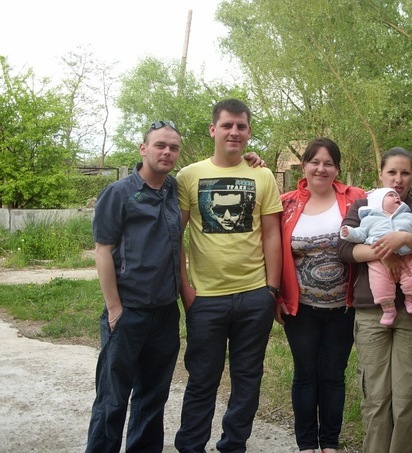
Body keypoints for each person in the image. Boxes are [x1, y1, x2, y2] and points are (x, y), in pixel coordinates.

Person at [174, 99, 283, 453]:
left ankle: (234, 445)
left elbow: (271, 235)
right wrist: (186, 289)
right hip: (205, 299)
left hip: (254, 296)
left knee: (248, 379)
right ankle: (191, 446)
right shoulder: (189, 176)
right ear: (213, 130)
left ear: (249, 132)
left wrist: (271, 290)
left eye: (241, 126)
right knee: (202, 379)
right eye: (227, 125)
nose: (234, 132)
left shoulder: (263, 175)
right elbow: (176, 236)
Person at [337, 147, 412, 453]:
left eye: (405, 173)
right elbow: (344, 248)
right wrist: (384, 253)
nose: (398, 179)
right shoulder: (363, 206)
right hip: (372, 313)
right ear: (380, 174)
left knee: (407, 398)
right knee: (375, 397)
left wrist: (406, 239)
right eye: (392, 172)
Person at [86, 120, 183, 453]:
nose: (167, 152)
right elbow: (103, 251)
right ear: (143, 149)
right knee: (112, 399)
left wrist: (251, 159)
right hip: (128, 312)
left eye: (173, 147)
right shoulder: (119, 193)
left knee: (152, 398)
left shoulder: (174, 189)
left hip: (166, 312)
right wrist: (115, 309)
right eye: (160, 145)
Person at [277, 137, 366, 453]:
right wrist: (276, 297)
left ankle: (329, 443)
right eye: (315, 162)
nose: (321, 168)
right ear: (304, 165)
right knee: (305, 375)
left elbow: (392, 203)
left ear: (337, 169)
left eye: (328, 163)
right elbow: (270, 249)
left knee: (332, 375)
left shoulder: (356, 198)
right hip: (300, 308)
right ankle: (306, 445)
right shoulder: (286, 204)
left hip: (344, 308)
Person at [340, 188, 412, 325]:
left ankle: (411, 300)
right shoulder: (369, 219)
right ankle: (388, 309)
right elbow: (360, 234)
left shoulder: (408, 216)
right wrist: (349, 232)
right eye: (391, 195)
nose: (397, 197)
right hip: (377, 260)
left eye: (397, 196)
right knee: (379, 283)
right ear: (379, 202)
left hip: (407, 254)